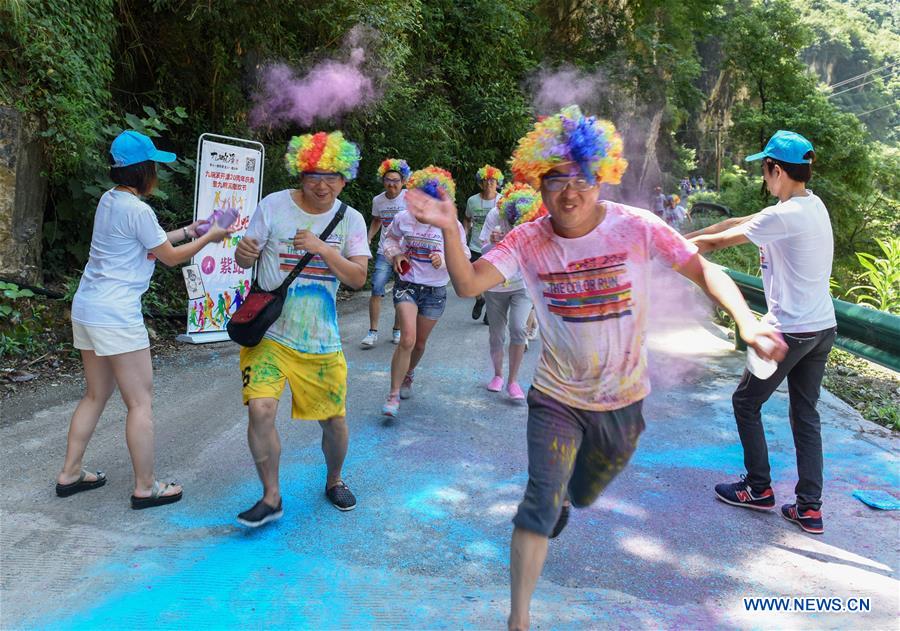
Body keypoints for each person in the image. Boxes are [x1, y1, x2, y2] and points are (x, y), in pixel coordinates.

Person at [403, 106, 786, 631]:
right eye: (554, 180)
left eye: (580, 179)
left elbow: (704, 268)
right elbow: (468, 284)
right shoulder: (528, 239)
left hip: (624, 404)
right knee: (539, 501)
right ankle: (518, 619)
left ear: (599, 179)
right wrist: (449, 226)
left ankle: (567, 497)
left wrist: (746, 319)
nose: (568, 193)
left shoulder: (635, 227)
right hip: (556, 399)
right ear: (539, 184)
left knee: (579, 493)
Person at [56, 130, 232, 509]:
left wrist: (191, 230)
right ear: (143, 172)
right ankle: (146, 486)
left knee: (95, 394)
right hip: (117, 315)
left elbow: (152, 243)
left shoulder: (110, 200)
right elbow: (169, 257)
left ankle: (70, 473)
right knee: (140, 402)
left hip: (88, 308)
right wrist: (212, 236)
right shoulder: (138, 209)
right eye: (153, 166)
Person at [686, 130, 836, 535]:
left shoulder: (783, 215)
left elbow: (719, 240)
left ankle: (758, 488)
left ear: (776, 169)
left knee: (745, 403)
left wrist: (668, 250)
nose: (763, 177)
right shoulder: (810, 204)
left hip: (791, 331)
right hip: (822, 328)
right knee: (805, 415)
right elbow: (737, 222)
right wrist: (682, 239)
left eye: (765, 169)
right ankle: (809, 508)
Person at [233, 131, 370, 526]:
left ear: (345, 179)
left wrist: (324, 249)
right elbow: (247, 257)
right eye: (313, 175)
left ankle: (334, 479)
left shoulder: (351, 220)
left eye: (331, 176)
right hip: (270, 332)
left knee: (334, 422)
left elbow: (359, 278)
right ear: (300, 174)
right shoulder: (274, 205)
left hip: (321, 342)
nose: (322, 184)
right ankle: (271, 497)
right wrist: (244, 254)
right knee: (260, 409)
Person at [380, 166, 469, 417]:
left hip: (435, 290)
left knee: (419, 344)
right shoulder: (402, 218)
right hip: (407, 284)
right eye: (418, 203)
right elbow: (389, 240)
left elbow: (465, 255)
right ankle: (393, 394)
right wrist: (395, 253)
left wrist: (442, 256)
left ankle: (408, 373)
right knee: (407, 338)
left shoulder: (449, 225)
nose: (420, 210)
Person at [477, 182, 545, 400]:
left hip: (521, 285)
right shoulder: (495, 214)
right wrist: (493, 242)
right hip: (495, 284)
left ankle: (513, 381)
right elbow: (482, 248)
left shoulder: (533, 217)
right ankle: (497, 375)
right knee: (496, 334)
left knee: (518, 329)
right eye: (512, 216)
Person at [361, 158, 410, 348]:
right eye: (388, 180)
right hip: (384, 251)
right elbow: (376, 220)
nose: (392, 184)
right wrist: (368, 238)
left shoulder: (409, 197)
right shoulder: (378, 200)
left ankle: (397, 330)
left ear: (403, 182)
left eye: (396, 180)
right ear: (383, 181)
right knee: (376, 287)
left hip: (405, 253)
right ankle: (372, 332)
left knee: (401, 291)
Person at [465, 165, 503, 322]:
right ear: (480, 183)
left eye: (492, 181)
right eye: (485, 181)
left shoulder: (502, 200)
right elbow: (467, 219)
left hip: (495, 248)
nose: (489, 184)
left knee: (491, 281)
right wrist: (463, 237)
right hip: (475, 246)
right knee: (471, 278)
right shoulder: (472, 201)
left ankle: (490, 310)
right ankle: (480, 300)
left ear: (498, 183)